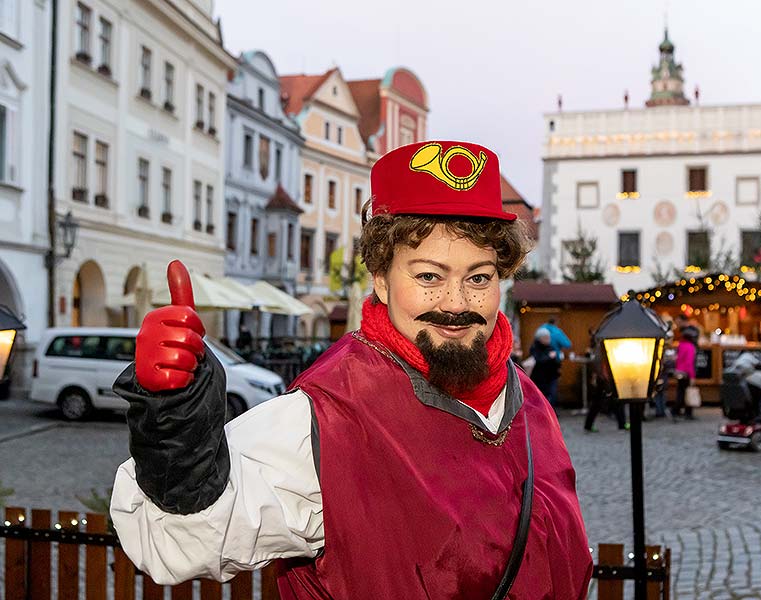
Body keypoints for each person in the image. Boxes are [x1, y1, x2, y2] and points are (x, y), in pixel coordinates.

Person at [108, 140, 593, 598]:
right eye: (428, 276)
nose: (456, 302)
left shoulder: (528, 398)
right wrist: (174, 414)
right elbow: (181, 543)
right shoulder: (326, 414)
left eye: (479, 278)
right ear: (381, 279)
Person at [528, 327, 561, 405]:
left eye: (549, 337)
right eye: (546, 337)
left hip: (552, 376)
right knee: (541, 397)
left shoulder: (550, 347)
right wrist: (549, 357)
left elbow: (556, 361)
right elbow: (538, 360)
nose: (548, 339)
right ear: (540, 338)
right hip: (540, 377)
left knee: (552, 396)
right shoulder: (535, 348)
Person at [673, 327, 698, 420]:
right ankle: (688, 412)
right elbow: (689, 363)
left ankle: (676, 410)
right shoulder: (691, 347)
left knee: (680, 392)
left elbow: (678, 359)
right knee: (688, 392)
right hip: (686, 373)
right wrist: (692, 376)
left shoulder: (681, 345)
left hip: (679, 371)